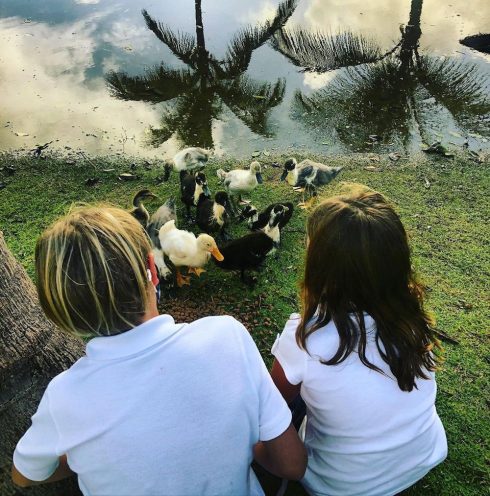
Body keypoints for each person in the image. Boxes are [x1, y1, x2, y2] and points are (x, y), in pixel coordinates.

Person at [12, 205, 306, 495]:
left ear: (61, 312)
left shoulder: (64, 397)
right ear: (152, 270)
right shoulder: (227, 336)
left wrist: (88, 457)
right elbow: (293, 464)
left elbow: (24, 475)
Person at [271, 187, 447, 496]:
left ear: (320, 270)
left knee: (281, 408)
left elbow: (272, 404)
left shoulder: (304, 338)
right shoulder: (412, 317)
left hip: (340, 485)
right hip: (424, 455)